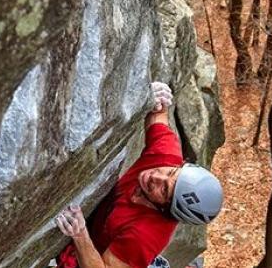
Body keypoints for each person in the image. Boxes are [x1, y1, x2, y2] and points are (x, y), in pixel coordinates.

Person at [53, 82, 223, 268]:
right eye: (171, 172)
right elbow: (158, 116)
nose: (157, 176)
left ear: (166, 209)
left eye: (164, 190)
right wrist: (155, 98)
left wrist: (80, 236)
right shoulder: (167, 157)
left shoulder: (146, 235)